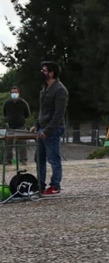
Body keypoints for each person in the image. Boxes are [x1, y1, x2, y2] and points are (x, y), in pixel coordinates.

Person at [30, 61, 68, 195]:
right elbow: (42, 110)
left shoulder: (60, 90)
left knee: (53, 159)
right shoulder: (45, 88)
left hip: (52, 129)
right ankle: (40, 185)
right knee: (39, 158)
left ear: (52, 73)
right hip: (42, 128)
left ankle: (55, 185)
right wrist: (36, 124)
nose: (42, 73)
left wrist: (47, 131)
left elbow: (58, 114)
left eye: (44, 71)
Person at [3, 85, 31, 164]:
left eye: (15, 92)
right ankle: (8, 160)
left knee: (22, 144)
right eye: (12, 92)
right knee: (8, 144)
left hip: (20, 126)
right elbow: (5, 113)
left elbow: (27, 114)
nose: (14, 94)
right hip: (10, 127)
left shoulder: (23, 103)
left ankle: (23, 160)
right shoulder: (7, 103)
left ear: (18, 93)